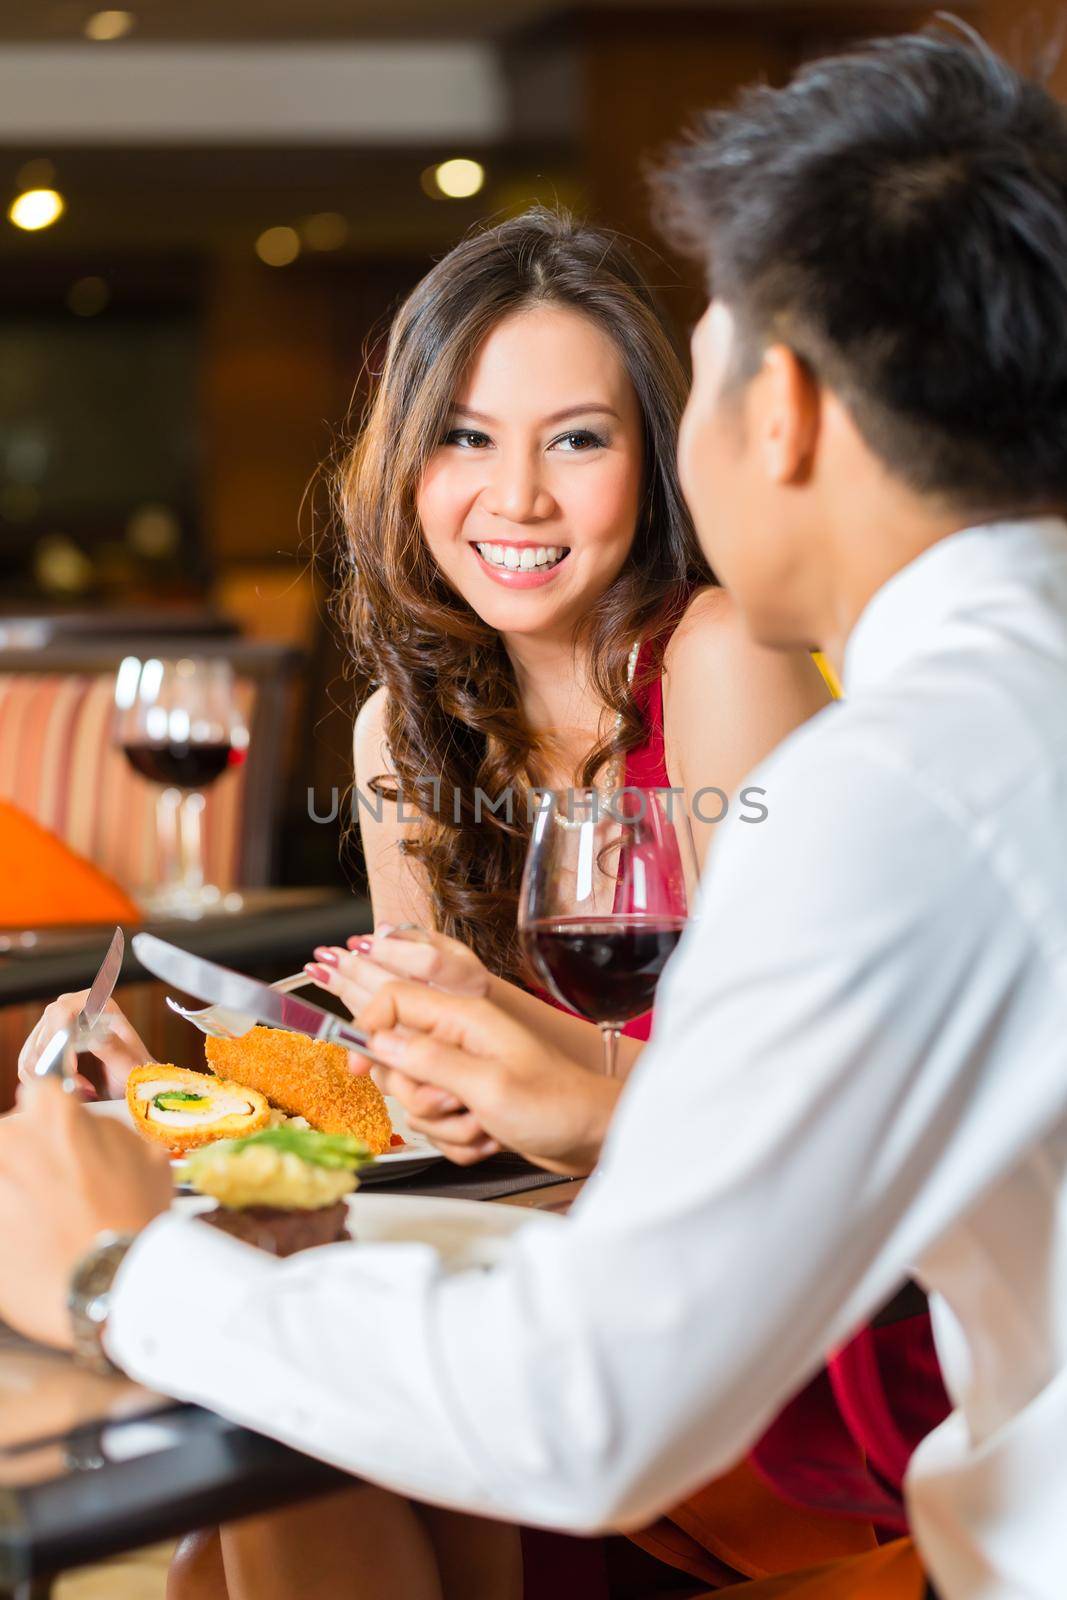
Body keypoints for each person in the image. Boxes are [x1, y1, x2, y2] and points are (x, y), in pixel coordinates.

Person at [4, 24, 1066, 1599]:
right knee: (262, 1496)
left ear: (765, 412)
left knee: (289, 1448)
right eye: (469, 439)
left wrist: (116, 1269)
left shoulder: (884, 777)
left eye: (615, 421)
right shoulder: (1002, 707)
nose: (524, 494)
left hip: (825, 1422)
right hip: (728, 1324)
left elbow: (604, 1397)